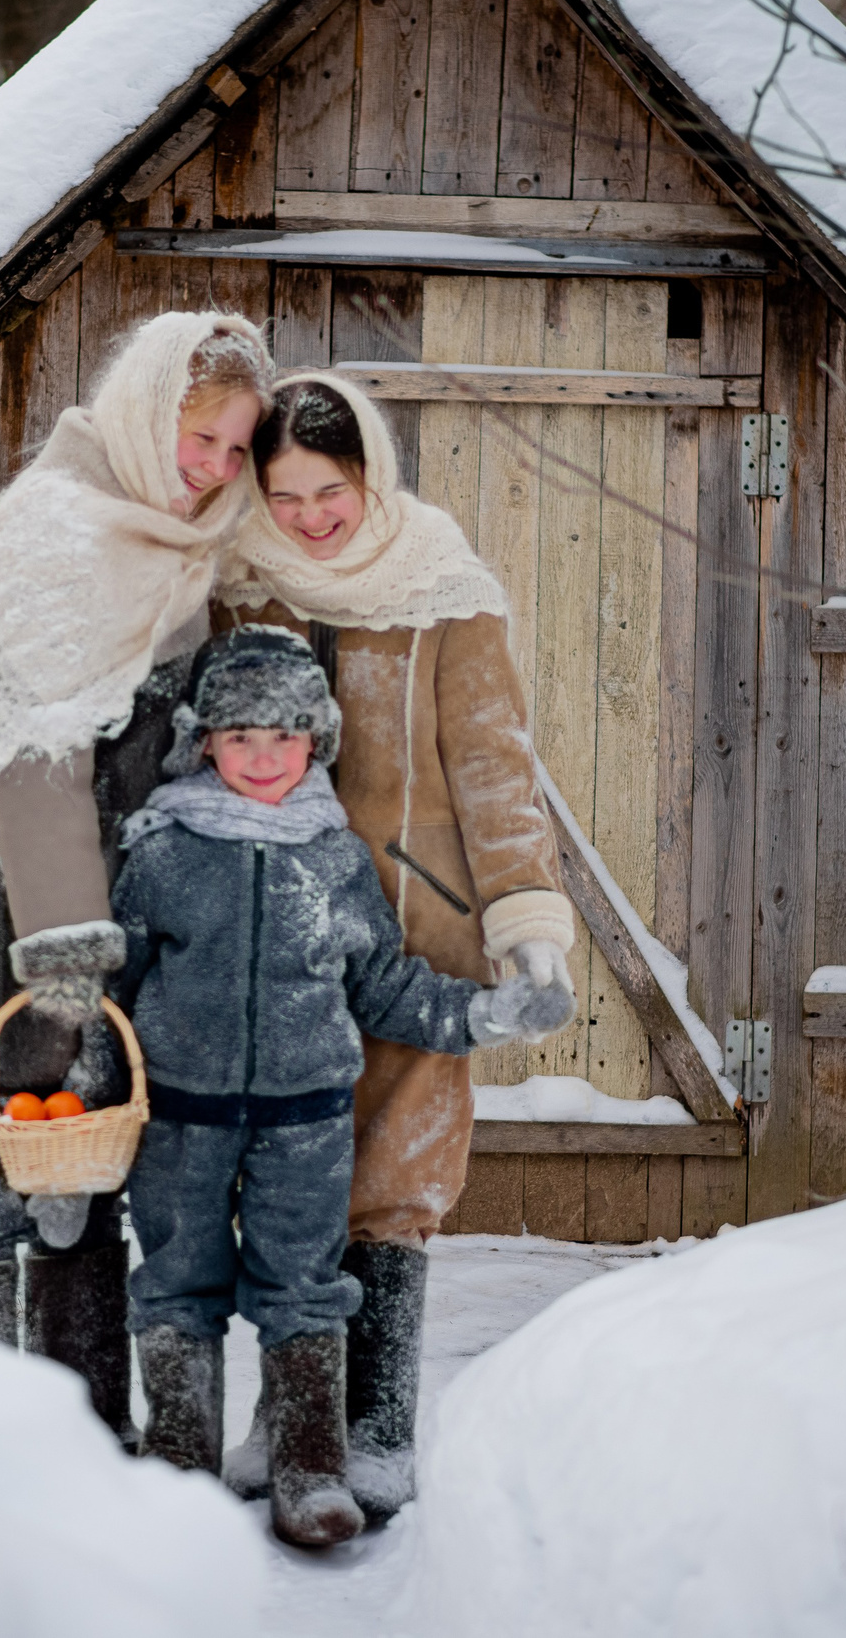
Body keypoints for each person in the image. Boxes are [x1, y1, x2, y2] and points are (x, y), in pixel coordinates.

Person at [109, 627, 568, 1547]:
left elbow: (383, 984)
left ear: (316, 741)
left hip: (307, 1123)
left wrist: (483, 1015)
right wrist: (90, 1073)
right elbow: (119, 982)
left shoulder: (333, 856)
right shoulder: (161, 852)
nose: (265, 757)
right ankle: (179, 1461)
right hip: (182, 1121)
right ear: (205, 741)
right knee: (175, 1280)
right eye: (242, 737)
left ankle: (310, 1467)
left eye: (286, 737)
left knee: (304, 1283)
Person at [213, 372, 577, 1523]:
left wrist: (525, 919)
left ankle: (376, 1425)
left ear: (369, 471)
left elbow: (492, 762)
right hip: (278, 929)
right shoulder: (237, 587)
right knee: (280, 1173)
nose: (311, 515)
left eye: (331, 489)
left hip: (418, 925)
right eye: (285, 493)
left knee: (398, 1177)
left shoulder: (441, 589)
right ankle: (291, 1409)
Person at [0, 311, 275, 1441]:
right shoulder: (57, 535)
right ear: (143, 410)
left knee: (87, 1173)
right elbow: (36, 763)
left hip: (113, 925)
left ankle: (73, 1435)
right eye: (199, 438)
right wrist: (65, 956)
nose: (214, 470)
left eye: (234, 449)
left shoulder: (173, 539)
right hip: (21, 916)